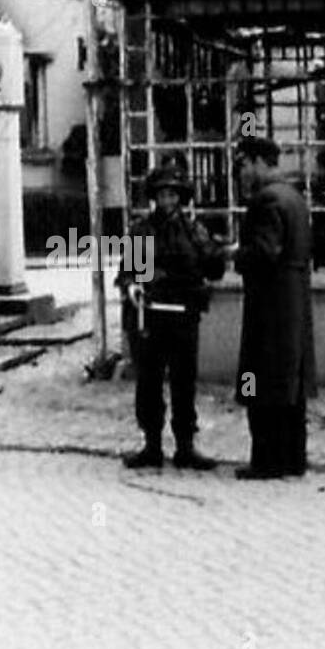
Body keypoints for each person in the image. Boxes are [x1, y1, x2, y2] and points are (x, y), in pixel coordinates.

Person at [119, 160, 225, 470]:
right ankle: (151, 445)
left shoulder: (194, 231)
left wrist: (218, 251)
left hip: (183, 317)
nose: (167, 201)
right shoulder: (141, 232)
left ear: (181, 197)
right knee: (149, 382)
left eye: (172, 195)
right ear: (153, 197)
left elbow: (213, 268)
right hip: (149, 319)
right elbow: (127, 273)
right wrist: (132, 288)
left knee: (184, 382)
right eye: (162, 195)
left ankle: (185, 447)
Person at [232, 137, 314, 479]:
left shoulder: (266, 200)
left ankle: (265, 459)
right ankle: (293, 457)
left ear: (258, 162)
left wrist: (235, 255)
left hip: (269, 305)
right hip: (294, 301)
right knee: (290, 384)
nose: (241, 172)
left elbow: (264, 253)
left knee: (257, 380)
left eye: (243, 164)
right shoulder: (294, 196)